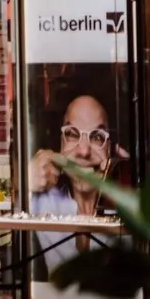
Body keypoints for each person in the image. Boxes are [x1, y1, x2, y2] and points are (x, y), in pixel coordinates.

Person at [31, 92, 124, 273]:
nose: (83, 151)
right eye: (72, 134)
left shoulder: (130, 208)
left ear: (112, 148)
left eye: (97, 137)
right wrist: (23, 179)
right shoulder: (42, 202)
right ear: (60, 144)